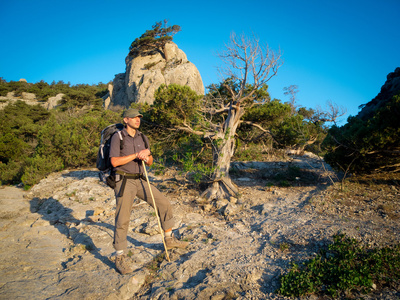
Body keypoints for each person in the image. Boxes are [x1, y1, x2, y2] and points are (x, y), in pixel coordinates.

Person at [109, 108, 188, 275]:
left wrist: (147, 155)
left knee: (164, 203)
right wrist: (135, 155)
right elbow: (115, 161)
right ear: (126, 120)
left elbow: (150, 162)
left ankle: (168, 239)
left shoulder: (142, 137)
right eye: (134, 117)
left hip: (140, 179)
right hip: (123, 180)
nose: (137, 120)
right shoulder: (118, 137)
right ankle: (120, 256)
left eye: (139, 117)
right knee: (122, 218)